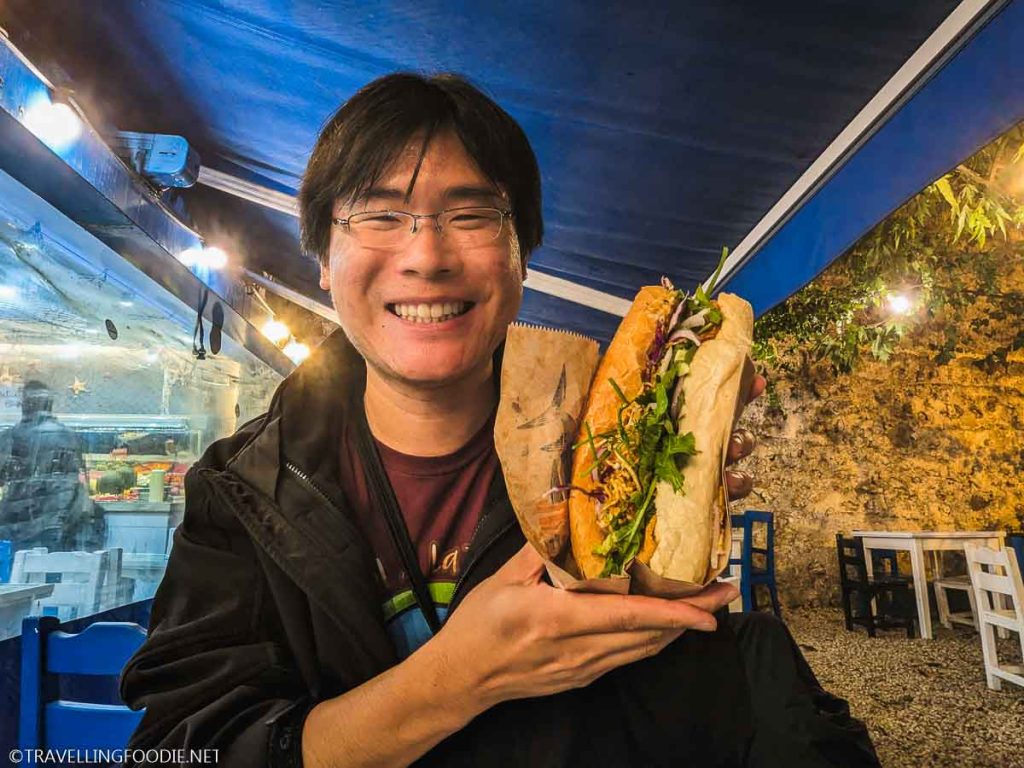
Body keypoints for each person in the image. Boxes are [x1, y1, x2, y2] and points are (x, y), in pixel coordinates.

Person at [120, 73, 878, 767]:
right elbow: (179, 748)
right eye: (380, 214)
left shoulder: (608, 464)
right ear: (322, 260)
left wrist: (672, 550)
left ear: (523, 255)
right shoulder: (242, 491)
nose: (426, 256)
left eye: (472, 213)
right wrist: (456, 681)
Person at [0, 380, 104, 553]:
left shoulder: (10, 437)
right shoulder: (69, 436)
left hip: (19, 524)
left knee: (18, 572)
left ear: (24, 404)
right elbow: (79, 480)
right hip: (59, 520)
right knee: (53, 570)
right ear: (50, 404)